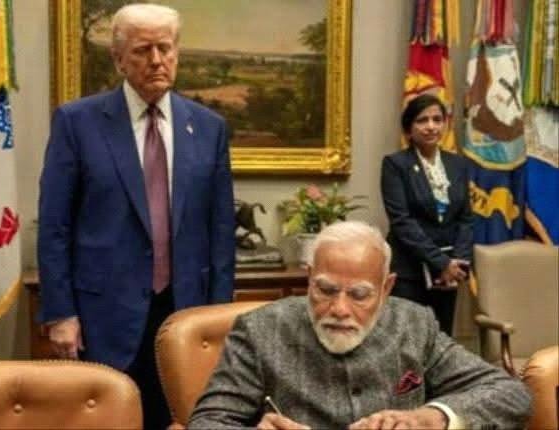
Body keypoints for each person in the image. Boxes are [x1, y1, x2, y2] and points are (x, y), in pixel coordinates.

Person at [37, 3, 235, 429]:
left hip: (184, 312)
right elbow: (55, 226)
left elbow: (220, 232)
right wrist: (61, 314)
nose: (157, 60)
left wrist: (218, 319)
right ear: (119, 59)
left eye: (166, 48)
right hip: (103, 314)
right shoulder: (77, 122)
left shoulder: (208, 127)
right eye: (144, 50)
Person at [188, 221, 531, 430]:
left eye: (359, 295)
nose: (339, 309)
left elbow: (511, 394)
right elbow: (207, 421)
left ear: (386, 288)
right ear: (309, 279)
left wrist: (433, 417)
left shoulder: (415, 325)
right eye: (325, 290)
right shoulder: (259, 330)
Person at [381, 94, 474, 336]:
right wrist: (441, 263)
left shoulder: (458, 165)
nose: (431, 126)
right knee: (407, 341)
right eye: (422, 120)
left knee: (441, 340)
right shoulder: (395, 164)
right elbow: (401, 222)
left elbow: (465, 218)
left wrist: (458, 263)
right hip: (409, 273)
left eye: (437, 119)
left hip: (447, 276)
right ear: (409, 129)